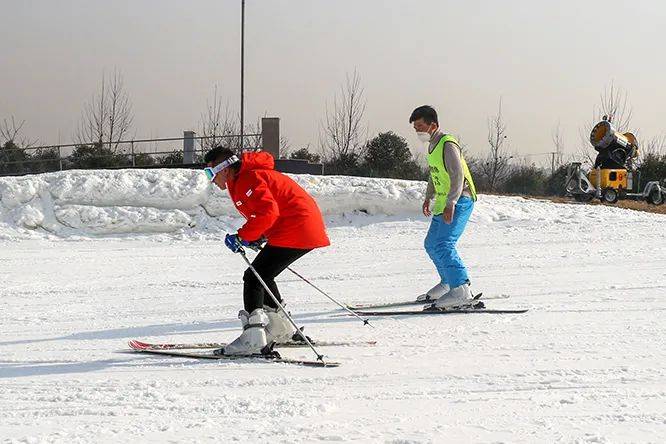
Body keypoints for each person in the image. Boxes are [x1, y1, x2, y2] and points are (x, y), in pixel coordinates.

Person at [203, 146, 330, 355]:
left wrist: (243, 236)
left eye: (210, 172)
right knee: (264, 275)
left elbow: (268, 213)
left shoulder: (247, 179)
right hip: (299, 228)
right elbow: (269, 211)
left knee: (253, 277)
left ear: (224, 168)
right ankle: (281, 329)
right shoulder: (243, 179)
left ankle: (253, 339)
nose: (210, 179)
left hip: (297, 229)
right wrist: (257, 236)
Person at [409, 105, 478, 309]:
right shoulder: (432, 146)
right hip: (443, 200)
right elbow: (435, 173)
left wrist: (452, 203)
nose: (418, 131)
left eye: (420, 126)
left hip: (460, 199)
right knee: (431, 243)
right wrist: (428, 197)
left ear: (433, 125)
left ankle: (461, 289)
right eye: (415, 128)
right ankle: (448, 283)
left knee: (444, 244)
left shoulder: (448, 144)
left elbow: (457, 175)